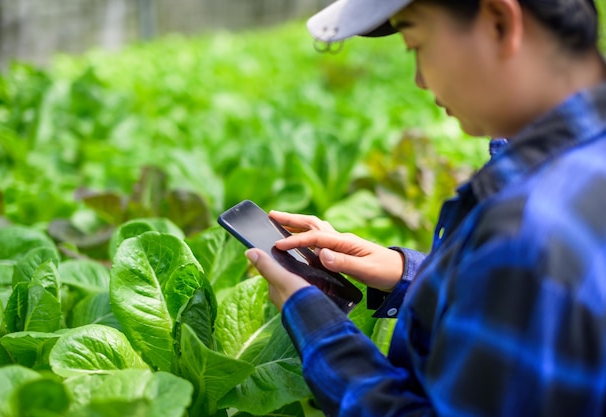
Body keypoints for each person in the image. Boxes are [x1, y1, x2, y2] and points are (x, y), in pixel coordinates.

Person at [245, 0, 606, 416]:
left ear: (500, 22)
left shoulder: (526, 232)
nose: (418, 79)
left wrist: (318, 327)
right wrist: (408, 274)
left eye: (416, 44)